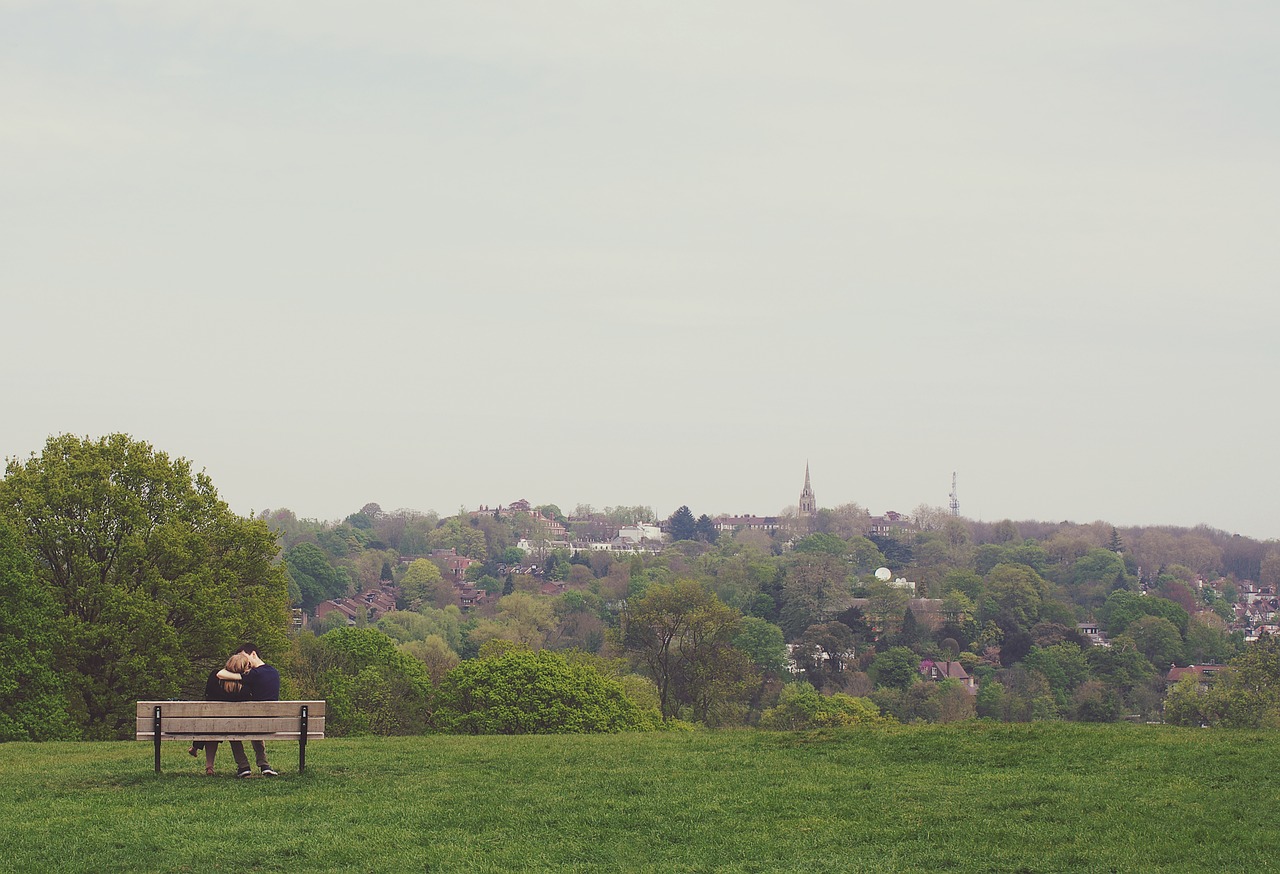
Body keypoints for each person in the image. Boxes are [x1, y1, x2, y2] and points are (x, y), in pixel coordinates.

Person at [217, 643, 280, 777]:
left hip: (252, 723)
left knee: (232, 728)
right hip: (270, 724)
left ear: (253, 654)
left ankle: (243, 766)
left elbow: (221, 674)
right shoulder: (274, 672)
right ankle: (264, 765)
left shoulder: (253, 675)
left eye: (243, 656)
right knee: (256, 723)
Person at [190, 651, 253, 776]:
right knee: (221, 725)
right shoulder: (245, 687)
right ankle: (244, 766)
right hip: (236, 725)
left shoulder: (215, 677)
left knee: (211, 725)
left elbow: (207, 695)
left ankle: (209, 766)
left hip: (213, 723)